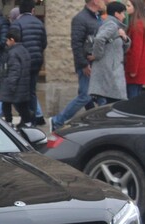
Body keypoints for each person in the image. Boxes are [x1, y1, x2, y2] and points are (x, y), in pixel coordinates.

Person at [50, 0, 105, 132]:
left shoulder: (97, 17)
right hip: (87, 65)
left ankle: (98, 123)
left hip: (96, 64)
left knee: (101, 97)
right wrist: (84, 64)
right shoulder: (80, 19)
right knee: (85, 96)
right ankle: (58, 120)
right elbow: (76, 44)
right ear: (95, 1)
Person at [10, 0, 47, 126]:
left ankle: (26, 118)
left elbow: (12, 44)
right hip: (36, 61)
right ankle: (32, 120)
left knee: (19, 91)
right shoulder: (39, 23)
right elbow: (44, 43)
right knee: (31, 91)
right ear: (33, 10)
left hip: (21, 62)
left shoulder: (16, 23)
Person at [89, 1, 130, 106]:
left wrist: (124, 38)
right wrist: (98, 55)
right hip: (110, 71)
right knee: (114, 104)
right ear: (116, 14)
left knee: (113, 104)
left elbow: (121, 48)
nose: (124, 16)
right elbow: (99, 39)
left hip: (112, 70)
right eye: (122, 13)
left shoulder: (116, 26)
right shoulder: (112, 25)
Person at [0, 27, 32, 129]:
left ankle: (9, 123)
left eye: (7, 40)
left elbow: (14, 70)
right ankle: (27, 122)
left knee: (6, 103)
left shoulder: (13, 53)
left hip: (13, 84)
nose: (6, 42)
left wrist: (10, 86)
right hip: (22, 84)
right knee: (22, 106)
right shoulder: (23, 50)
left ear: (12, 40)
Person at [125, 0, 145, 98]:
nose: (126, 8)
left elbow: (136, 50)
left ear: (135, 7)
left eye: (128, 6)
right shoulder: (142, 23)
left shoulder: (137, 25)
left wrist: (133, 70)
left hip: (136, 69)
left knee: (132, 98)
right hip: (141, 67)